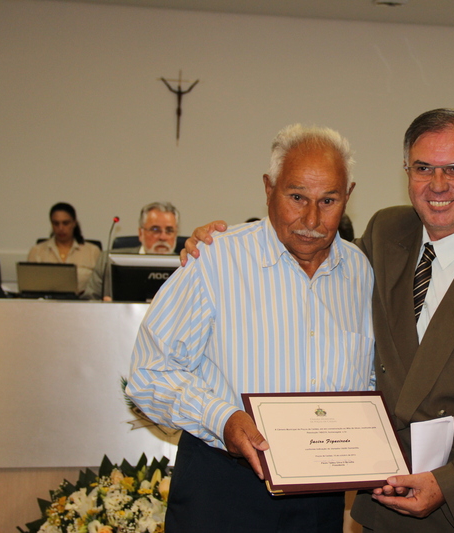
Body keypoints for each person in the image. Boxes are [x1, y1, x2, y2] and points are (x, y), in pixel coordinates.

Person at [183, 109, 454, 532]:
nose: (438, 184)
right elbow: (312, 255)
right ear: (407, 172)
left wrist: (448, 484)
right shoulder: (387, 232)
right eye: (423, 168)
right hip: (386, 505)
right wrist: (220, 245)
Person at [126, 124, 375, 533]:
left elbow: (368, 379)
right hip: (223, 488)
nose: (312, 219)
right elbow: (148, 373)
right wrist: (222, 418)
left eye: (328, 201)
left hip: (320, 499)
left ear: (348, 196)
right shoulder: (216, 259)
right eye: (297, 197)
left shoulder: (360, 272)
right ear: (269, 188)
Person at [81, 201, 180, 300]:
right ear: (141, 233)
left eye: (169, 230)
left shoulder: (185, 265)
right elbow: (88, 300)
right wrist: (104, 306)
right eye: (155, 230)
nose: (163, 237)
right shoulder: (106, 261)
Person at [27, 202, 100, 294]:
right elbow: (30, 286)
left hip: (82, 301)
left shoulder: (92, 251)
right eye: (56, 223)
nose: (60, 228)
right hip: (46, 300)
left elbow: (99, 287)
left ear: (74, 223)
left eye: (65, 223)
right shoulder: (37, 251)